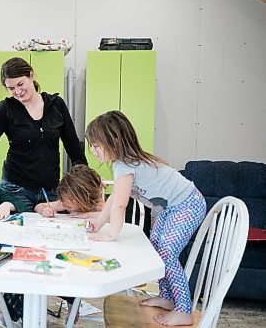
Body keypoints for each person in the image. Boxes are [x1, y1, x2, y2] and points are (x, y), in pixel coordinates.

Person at [84, 110, 207, 326]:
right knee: (157, 248)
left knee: (167, 254)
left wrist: (111, 234)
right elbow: (115, 198)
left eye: (96, 145)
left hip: (188, 204)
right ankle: (167, 298)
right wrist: (101, 222)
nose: (93, 150)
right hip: (173, 208)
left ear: (114, 141)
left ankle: (184, 310)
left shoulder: (125, 164)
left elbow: (121, 204)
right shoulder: (123, 163)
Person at [0, 56, 88, 212]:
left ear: (31, 75)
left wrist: (86, 177)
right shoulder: (6, 108)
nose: (17, 92)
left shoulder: (57, 105)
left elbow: (73, 145)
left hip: (50, 191)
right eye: (11, 88)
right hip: (15, 189)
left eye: (20, 84)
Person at [34, 164, 105, 217]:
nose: (65, 203)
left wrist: (86, 215)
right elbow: (38, 206)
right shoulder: (65, 203)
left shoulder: (97, 205)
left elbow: (112, 215)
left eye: (71, 198)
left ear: (84, 197)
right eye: (64, 198)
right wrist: (44, 210)